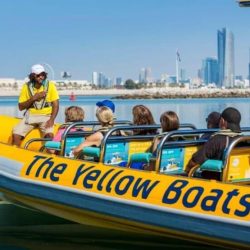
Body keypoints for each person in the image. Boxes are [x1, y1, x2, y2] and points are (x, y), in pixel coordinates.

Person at [185, 107, 241, 177]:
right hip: (239, 178)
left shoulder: (217, 140)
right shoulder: (242, 139)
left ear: (222, 121)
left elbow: (195, 161)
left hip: (216, 180)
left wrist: (186, 172)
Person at [12, 64, 59, 146]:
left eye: (43, 74)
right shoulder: (26, 87)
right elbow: (20, 107)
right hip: (30, 116)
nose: (41, 77)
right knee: (16, 134)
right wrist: (34, 98)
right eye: (38, 75)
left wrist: (52, 119)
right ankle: (15, 154)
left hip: (46, 116)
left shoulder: (50, 85)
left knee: (49, 135)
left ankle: (52, 156)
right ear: (32, 76)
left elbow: (56, 104)